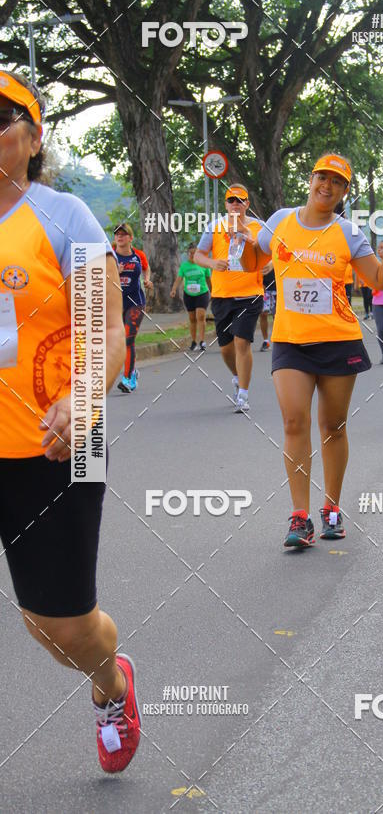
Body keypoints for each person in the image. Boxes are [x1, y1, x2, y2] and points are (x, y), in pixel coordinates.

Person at [0, 71, 140, 772]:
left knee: (58, 627)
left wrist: (84, 398)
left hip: (58, 447)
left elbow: (108, 330)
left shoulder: (66, 219)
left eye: (0, 117)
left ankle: (110, 683)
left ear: (33, 139)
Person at [238, 152, 383, 548]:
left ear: (344, 191)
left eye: (336, 182)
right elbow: (251, 264)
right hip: (291, 341)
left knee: (333, 426)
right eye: (321, 178)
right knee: (294, 422)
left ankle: (331, 507)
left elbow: (379, 278)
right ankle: (300, 517)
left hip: (338, 340)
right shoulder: (280, 221)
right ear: (310, 180)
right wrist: (240, 241)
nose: (326, 186)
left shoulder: (348, 233)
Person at [195, 184, 263, 412]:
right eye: (231, 200)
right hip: (222, 295)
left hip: (250, 294)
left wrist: (267, 265)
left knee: (242, 342)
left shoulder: (258, 227)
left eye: (240, 200)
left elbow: (272, 252)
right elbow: (198, 255)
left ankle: (243, 394)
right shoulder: (215, 227)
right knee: (226, 349)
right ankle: (237, 376)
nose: (235, 204)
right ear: (226, 204)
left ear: (247, 203)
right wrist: (213, 263)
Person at [113, 223, 152, 392]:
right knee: (120, 343)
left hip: (135, 302)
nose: (120, 237)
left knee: (129, 338)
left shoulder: (138, 255)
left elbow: (146, 267)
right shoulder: (110, 257)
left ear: (130, 238)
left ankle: (128, 379)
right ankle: (133, 371)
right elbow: (99, 278)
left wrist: (147, 279)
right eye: (117, 235)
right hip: (115, 304)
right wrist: (115, 272)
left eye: (123, 234)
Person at [170, 242, 211, 351]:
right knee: (192, 319)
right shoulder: (184, 266)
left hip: (202, 293)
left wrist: (213, 291)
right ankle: (193, 342)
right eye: (190, 253)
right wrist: (174, 289)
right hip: (189, 295)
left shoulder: (203, 264)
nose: (192, 255)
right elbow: (179, 278)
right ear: (188, 254)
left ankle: (202, 341)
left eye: (194, 253)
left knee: (200, 316)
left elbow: (208, 279)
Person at [259, 262, 276, 351]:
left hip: (277, 286)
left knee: (276, 316)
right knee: (263, 314)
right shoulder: (262, 249)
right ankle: (266, 341)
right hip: (264, 288)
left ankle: (278, 340)